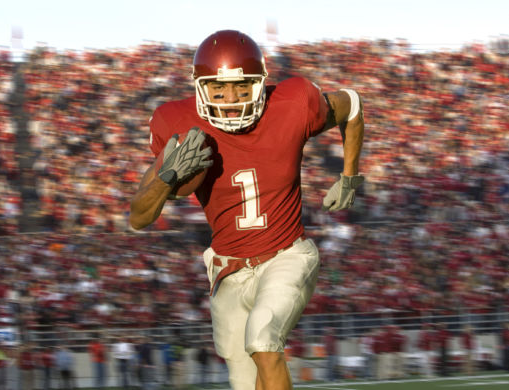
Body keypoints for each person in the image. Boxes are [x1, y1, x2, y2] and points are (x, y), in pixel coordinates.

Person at [130, 29, 365, 390]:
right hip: (228, 271)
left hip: (286, 255)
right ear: (199, 87)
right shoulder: (176, 122)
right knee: (244, 381)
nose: (230, 98)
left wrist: (349, 176)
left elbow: (351, 104)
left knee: (263, 339)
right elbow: (138, 217)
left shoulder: (292, 101)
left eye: (242, 87)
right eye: (219, 89)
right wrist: (168, 176)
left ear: (260, 83)